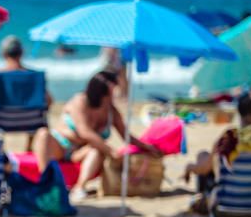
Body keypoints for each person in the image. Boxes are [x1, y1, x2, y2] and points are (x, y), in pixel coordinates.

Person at [32, 72, 160, 202]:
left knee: (97, 149)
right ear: (103, 91)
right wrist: (111, 151)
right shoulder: (80, 101)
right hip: (60, 145)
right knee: (43, 134)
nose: (117, 93)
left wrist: (146, 146)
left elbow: (126, 135)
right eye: (114, 90)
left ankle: (79, 188)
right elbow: (84, 132)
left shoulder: (111, 111)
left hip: (80, 153)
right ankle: (46, 182)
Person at [184, 92, 251, 194]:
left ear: (239, 112)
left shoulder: (229, 137)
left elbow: (204, 169)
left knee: (204, 156)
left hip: (229, 204)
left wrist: (189, 167)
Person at [0, 36, 52, 116]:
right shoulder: (36, 77)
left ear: (3, 54)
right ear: (22, 52)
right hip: (32, 122)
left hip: (2, 123)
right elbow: (48, 101)